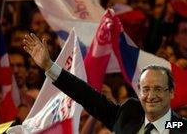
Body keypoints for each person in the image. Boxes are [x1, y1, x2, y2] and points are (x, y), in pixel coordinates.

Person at [23, 33, 187, 134]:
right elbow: (86, 95)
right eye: (146, 89)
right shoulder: (129, 115)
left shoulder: (180, 126)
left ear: (171, 92)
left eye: (158, 89)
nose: (151, 96)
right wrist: (49, 66)